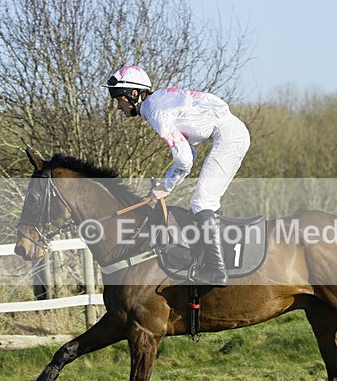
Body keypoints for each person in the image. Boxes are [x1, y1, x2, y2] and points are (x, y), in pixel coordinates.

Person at [103, 65, 250, 286]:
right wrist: (167, 183)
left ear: (133, 94)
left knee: (202, 202)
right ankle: (209, 257)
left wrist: (167, 186)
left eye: (118, 98)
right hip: (229, 132)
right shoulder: (157, 103)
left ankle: (217, 270)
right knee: (203, 202)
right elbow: (189, 152)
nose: (117, 106)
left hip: (229, 135)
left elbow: (184, 160)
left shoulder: (156, 112)